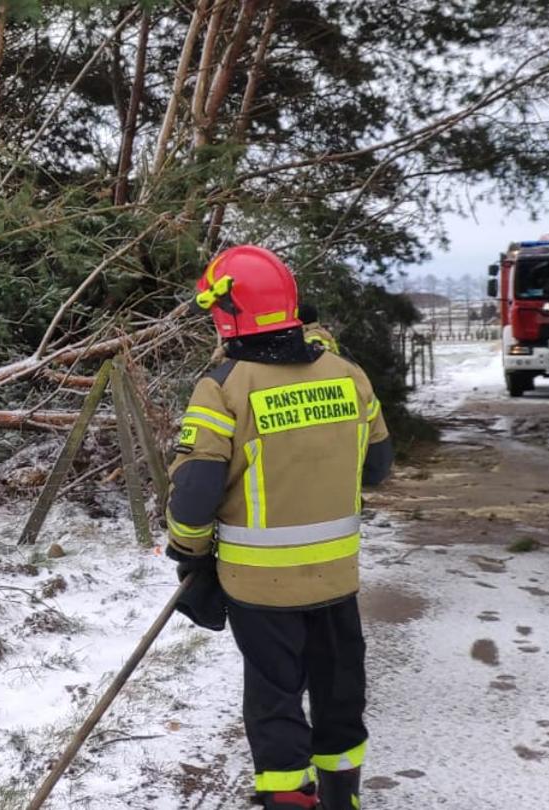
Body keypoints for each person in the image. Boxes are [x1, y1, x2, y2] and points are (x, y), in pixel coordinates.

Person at [164, 245, 394, 809]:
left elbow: (194, 497)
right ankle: (344, 797)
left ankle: (288, 800)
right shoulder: (348, 376)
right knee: (340, 691)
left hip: (260, 588)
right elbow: (379, 469)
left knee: (275, 697)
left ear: (226, 316)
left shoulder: (222, 388)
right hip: (337, 579)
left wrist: (188, 551)